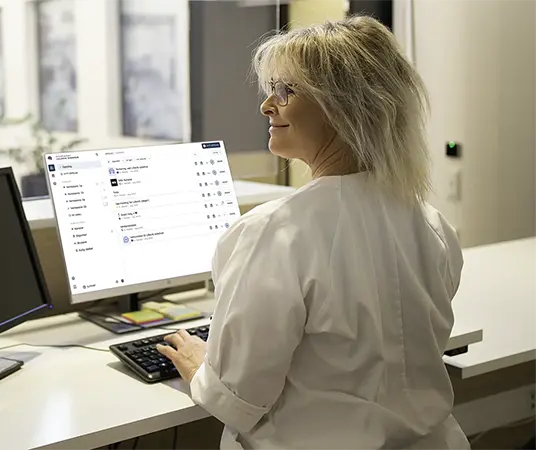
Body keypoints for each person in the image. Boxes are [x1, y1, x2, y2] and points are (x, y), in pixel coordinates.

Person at [157, 16, 469, 450]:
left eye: (286, 91)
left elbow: (239, 400)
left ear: (344, 107)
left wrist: (199, 365)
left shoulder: (274, 233)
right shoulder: (433, 226)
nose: (267, 106)